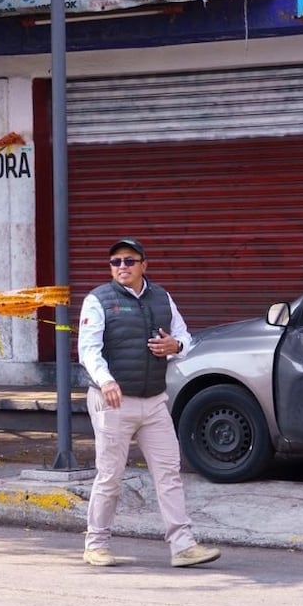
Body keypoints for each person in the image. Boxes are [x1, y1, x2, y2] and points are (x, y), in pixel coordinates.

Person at [77, 238, 220, 568]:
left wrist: (175, 345)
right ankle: (95, 544)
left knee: (169, 473)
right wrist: (106, 380)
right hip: (113, 401)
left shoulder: (162, 297)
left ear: (144, 265)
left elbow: (186, 337)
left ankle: (183, 546)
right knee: (110, 475)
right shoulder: (99, 300)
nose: (122, 267)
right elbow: (88, 350)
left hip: (154, 401)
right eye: (115, 262)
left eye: (129, 260)